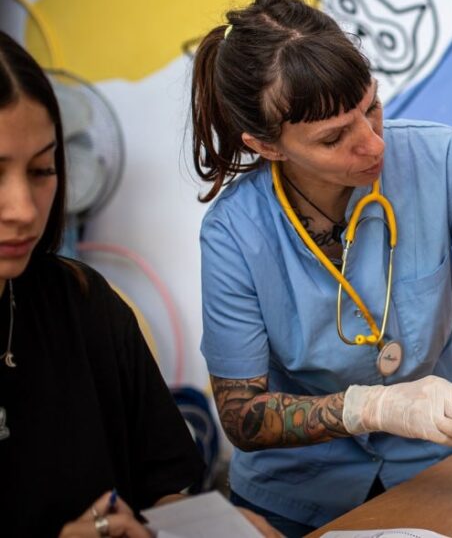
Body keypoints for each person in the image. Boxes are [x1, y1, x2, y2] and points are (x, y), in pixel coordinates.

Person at [190, 0, 452, 535]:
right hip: (297, 494)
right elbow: (243, 416)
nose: (373, 145)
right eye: (333, 139)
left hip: (437, 469)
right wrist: (372, 408)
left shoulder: (444, 160)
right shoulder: (235, 234)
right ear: (267, 146)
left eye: (371, 106)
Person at [0, 32, 277, 537]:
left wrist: (195, 530)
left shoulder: (85, 306)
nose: (22, 209)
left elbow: (168, 490)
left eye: (42, 170)